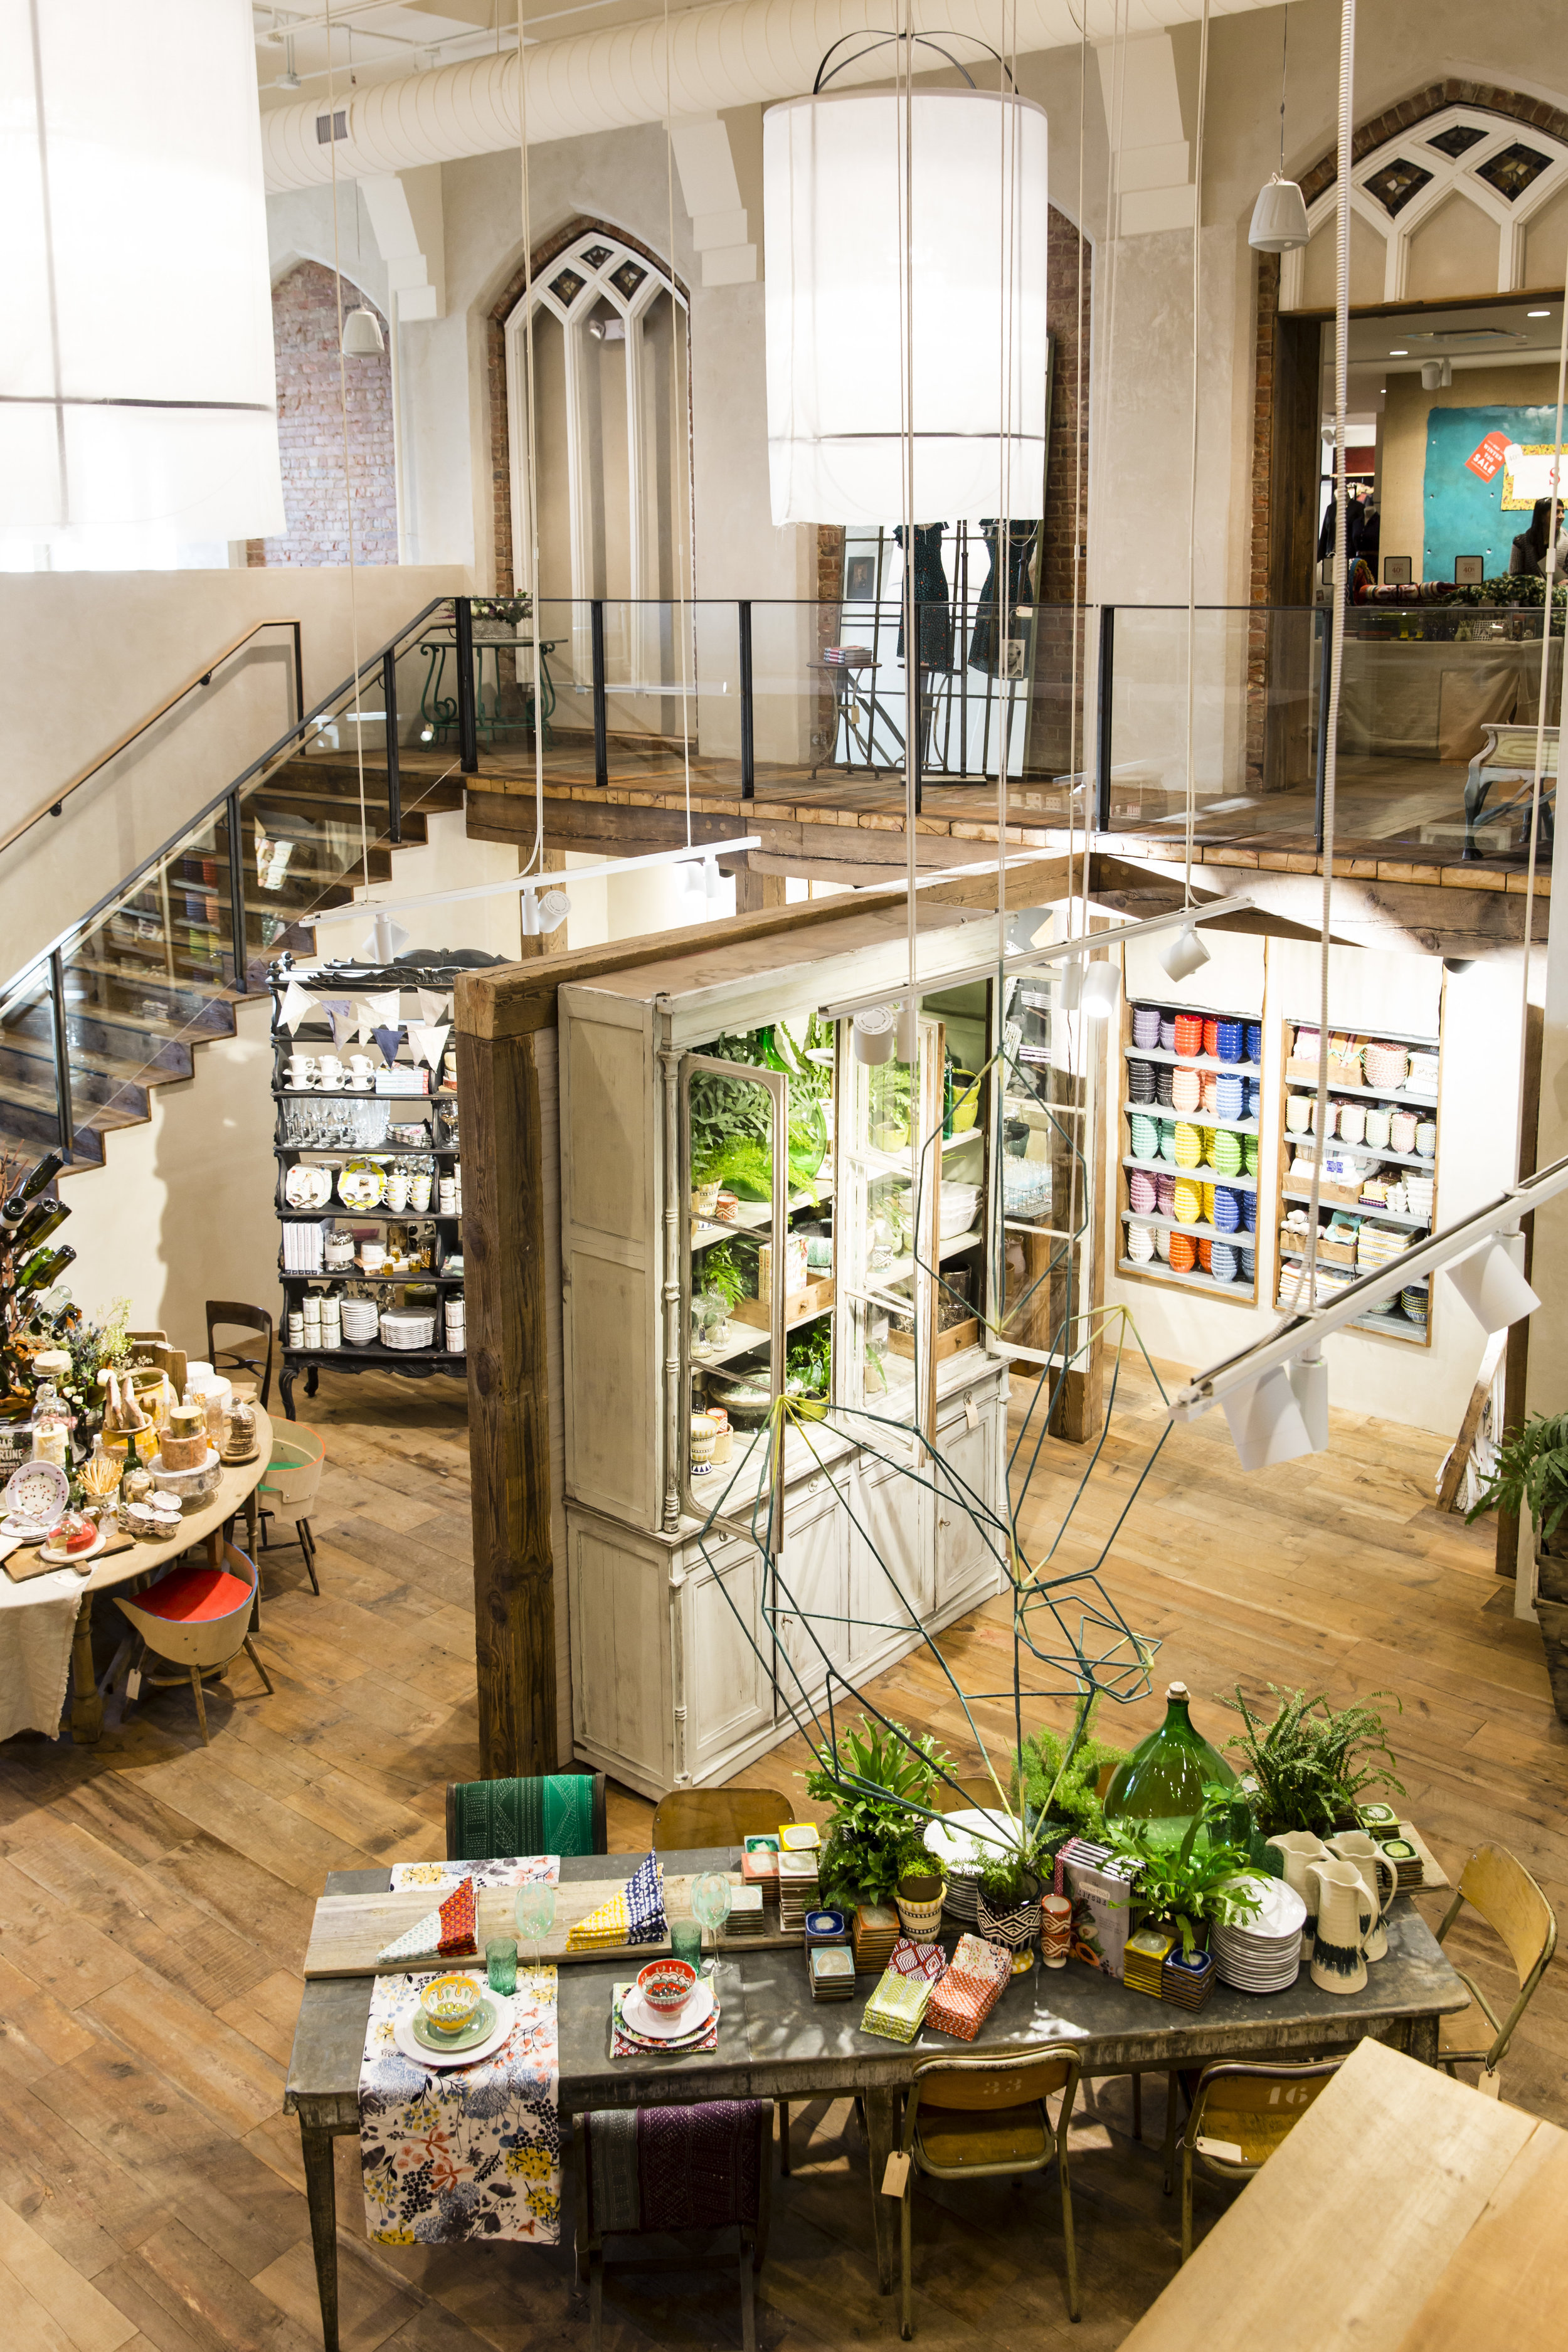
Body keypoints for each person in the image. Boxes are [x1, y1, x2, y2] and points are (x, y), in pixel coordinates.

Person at [1508, 494, 1568, 577]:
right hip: (1530, 589)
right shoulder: (1520, 543)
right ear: (1542, 516)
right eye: (1557, 512)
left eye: (1563, 512)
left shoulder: (1566, 542)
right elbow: (1515, 577)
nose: (1562, 516)